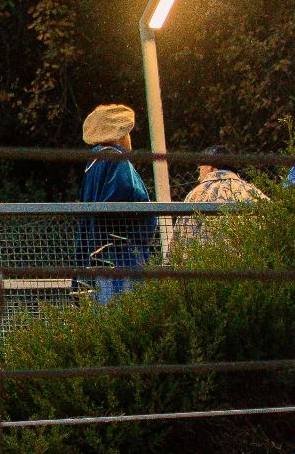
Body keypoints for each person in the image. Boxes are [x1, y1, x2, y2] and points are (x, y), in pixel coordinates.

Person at [77, 104, 156, 304]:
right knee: (129, 307)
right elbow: (125, 195)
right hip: (122, 252)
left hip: (99, 251)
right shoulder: (116, 159)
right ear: (120, 134)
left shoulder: (94, 161)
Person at [165, 145, 270, 254]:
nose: (198, 177)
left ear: (210, 167)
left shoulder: (196, 194)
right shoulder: (252, 192)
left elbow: (179, 240)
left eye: (200, 169)